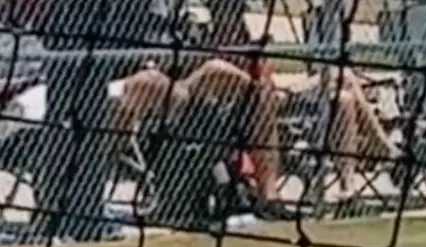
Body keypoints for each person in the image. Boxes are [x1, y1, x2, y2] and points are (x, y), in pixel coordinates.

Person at [111, 0, 398, 213]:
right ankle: (386, 153)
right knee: (219, 69)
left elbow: (265, 69)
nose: (233, 12)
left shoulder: (239, 35)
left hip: (263, 90)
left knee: (344, 88)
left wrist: (261, 60)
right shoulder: (207, 37)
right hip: (201, 92)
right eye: (228, 8)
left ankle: (348, 180)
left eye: (236, 9)